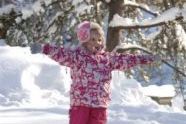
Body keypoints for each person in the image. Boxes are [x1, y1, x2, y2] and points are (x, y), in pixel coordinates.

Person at [36, 21, 160, 124]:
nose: (97, 43)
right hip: (81, 104)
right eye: (93, 39)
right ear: (84, 40)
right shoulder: (77, 57)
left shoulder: (107, 59)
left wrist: (146, 58)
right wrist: (47, 49)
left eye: (99, 39)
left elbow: (126, 59)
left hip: (100, 105)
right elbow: (62, 54)